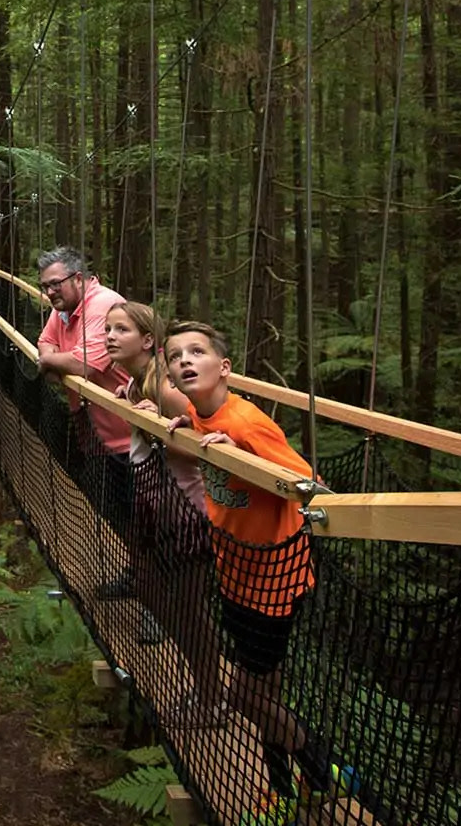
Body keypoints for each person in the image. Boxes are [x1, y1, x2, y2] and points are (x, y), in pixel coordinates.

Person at [161, 320, 356, 825]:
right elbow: (188, 421)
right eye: (175, 355)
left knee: (245, 695)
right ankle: (283, 791)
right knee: (265, 693)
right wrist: (183, 430)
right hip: (234, 572)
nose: (184, 360)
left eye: (197, 352)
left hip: (273, 579)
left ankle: (324, 769)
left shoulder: (247, 424)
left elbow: (311, 484)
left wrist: (241, 454)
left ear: (223, 368)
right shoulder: (194, 411)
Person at [103, 302, 226, 725]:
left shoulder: (163, 385)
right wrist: (134, 401)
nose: (110, 337)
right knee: (158, 595)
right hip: (155, 504)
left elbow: (196, 442)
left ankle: (212, 699)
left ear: (148, 340)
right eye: (107, 329)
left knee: (191, 613)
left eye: (121, 330)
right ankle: (207, 691)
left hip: (182, 509)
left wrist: (156, 421)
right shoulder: (141, 381)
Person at [33, 247, 135, 600]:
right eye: (45, 286)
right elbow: (45, 342)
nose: (50, 292)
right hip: (96, 428)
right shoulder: (64, 310)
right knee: (121, 514)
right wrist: (53, 359)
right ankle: (136, 578)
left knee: (149, 523)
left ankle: (158, 605)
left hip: (132, 434)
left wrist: (50, 363)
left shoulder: (104, 305)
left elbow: (87, 365)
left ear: (78, 278)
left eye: (56, 284)